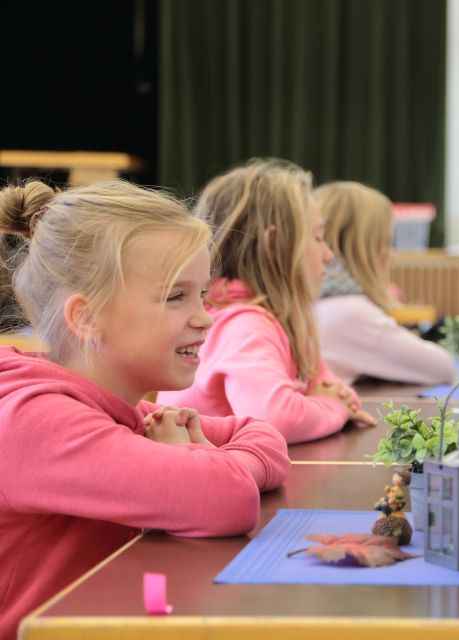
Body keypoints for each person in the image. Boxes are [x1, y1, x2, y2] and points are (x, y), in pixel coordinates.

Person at [0, 180, 290, 639]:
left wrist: (212, 461)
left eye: (202, 294)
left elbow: (262, 435)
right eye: (176, 297)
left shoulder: (122, 413)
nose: (205, 317)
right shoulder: (37, 420)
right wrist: (197, 459)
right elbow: (227, 500)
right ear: (88, 318)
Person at [158, 160, 376, 442]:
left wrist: (335, 400)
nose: (328, 255)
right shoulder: (246, 325)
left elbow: (327, 384)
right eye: (317, 238)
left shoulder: (277, 319)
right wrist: (333, 407)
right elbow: (274, 419)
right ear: (273, 245)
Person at [312, 181, 455, 385]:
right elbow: (443, 368)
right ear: (364, 250)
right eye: (386, 242)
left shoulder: (315, 301)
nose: (391, 255)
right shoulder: (349, 311)